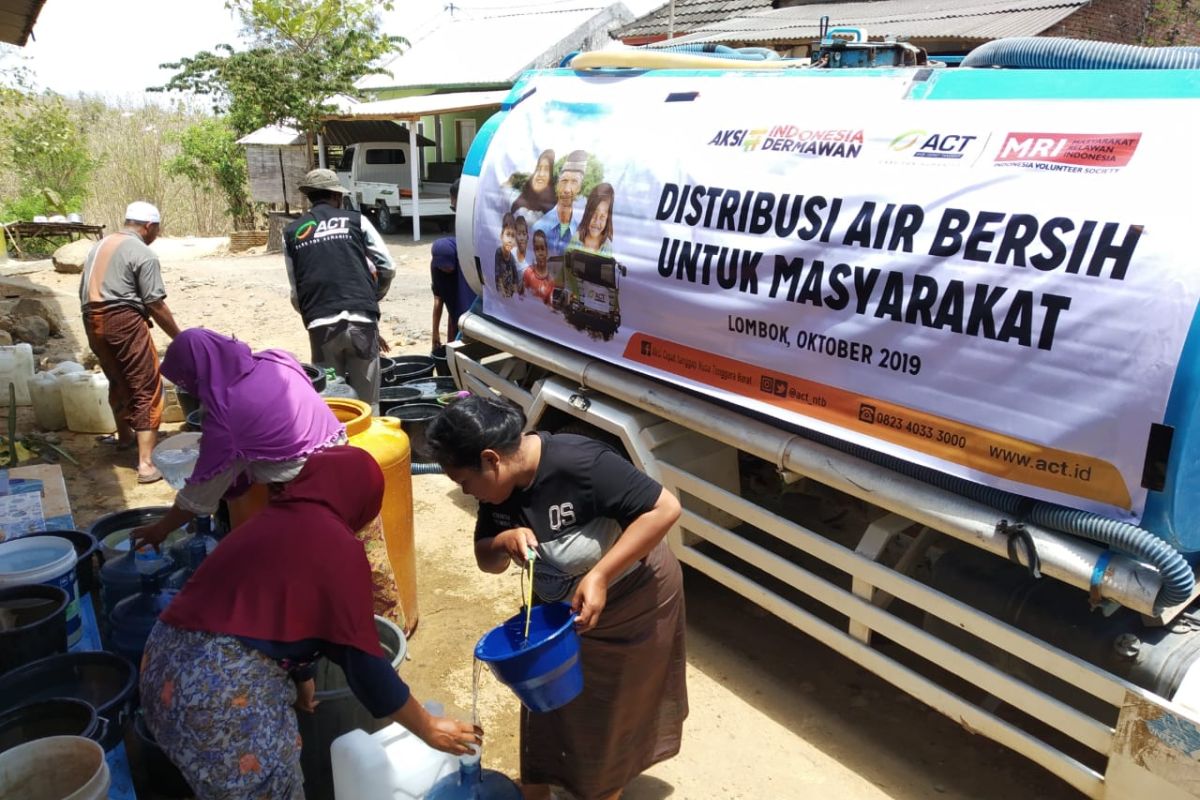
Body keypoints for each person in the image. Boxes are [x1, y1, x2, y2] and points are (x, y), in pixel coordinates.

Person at [141, 446, 481, 800]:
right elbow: (362, 660)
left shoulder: (266, 521)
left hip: (160, 672)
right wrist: (427, 726)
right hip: (220, 696)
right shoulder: (336, 544)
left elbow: (281, 613)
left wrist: (303, 678)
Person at [426, 395, 687, 800]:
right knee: (544, 706)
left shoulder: (579, 463)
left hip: (631, 602)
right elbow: (486, 560)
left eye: (464, 482)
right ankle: (536, 792)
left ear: (491, 459)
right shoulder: (497, 494)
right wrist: (502, 539)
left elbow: (665, 508)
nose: (466, 492)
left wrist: (601, 574)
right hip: (558, 612)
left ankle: (602, 790)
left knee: (608, 713)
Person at [130, 329, 346, 548]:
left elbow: (199, 496)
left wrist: (160, 530)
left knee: (305, 551)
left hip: (303, 486)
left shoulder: (226, 417)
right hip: (344, 460)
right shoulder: (279, 358)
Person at [80, 200, 182, 484]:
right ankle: (146, 464)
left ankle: (125, 438)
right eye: (157, 230)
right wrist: (180, 337)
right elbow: (154, 302)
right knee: (147, 384)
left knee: (117, 378)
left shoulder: (99, 246)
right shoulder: (142, 252)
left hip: (91, 319)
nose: (157, 235)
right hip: (122, 320)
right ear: (149, 226)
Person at [284, 168, 395, 410]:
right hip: (361, 323)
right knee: (368, 405)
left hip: (321, 326)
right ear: (336, 196)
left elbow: (296, 291)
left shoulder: (292, 232)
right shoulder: (357, 221)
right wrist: (372, 296)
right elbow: (387, 266)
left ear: (310, 196)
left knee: (334, 403)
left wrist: (315, 312)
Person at [430, 180, 476, 350]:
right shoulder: (446, 254)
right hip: (459, 318)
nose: (456, 214)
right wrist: (435, 333)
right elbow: (438, 300)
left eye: (457, 208)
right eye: (453, 209)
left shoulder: (469, 252)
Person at [531, 150, 588, 258]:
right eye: (564, 181)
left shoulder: (580, 234)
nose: (567, 189)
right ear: (557, 184)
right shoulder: (539, 228)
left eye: (574, 182)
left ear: (580, 188)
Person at [568, 183, 614, 256]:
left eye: (602, 217)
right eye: (594, 214)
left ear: (607, 219)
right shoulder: (576, 239)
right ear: (587, 214)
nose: (597, 221)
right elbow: (566, 266)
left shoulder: (607, 247)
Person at [510, 149, 557, 216]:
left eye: (546, 169)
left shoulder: (555, 209)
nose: (541, 174)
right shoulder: (522, 198)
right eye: (538, 168)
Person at [495, 212, 523, 297]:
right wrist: (503, 292)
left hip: (510, 294)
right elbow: (498, 274)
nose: (510, 240)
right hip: (502, 294)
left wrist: (515, 290)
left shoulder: (512, 258)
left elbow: (515, 278)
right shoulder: (498, 252)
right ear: (501, 236)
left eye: (513, 236)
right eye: (508, 235)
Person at [523, 230, 554, 304]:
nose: (540, 253)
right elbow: (523, 297)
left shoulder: (553, 277)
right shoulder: (528, 272)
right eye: (537, 249)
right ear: (534, 250)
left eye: (542, 249)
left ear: (546, 250)